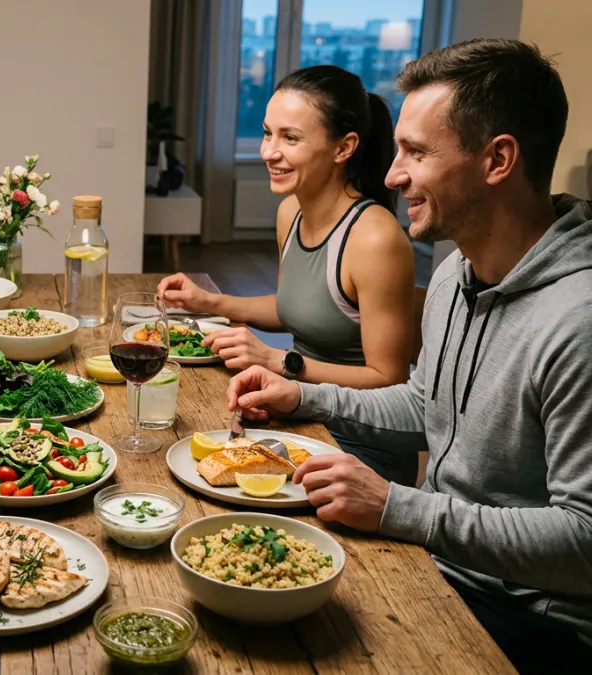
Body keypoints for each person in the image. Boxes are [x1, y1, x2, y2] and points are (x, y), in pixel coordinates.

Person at [226, 39, 592, 674]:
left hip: (529, 620)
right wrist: (303, 395)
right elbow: (426, 402)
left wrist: (400, 507)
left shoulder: (579, 321)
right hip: (440, 562)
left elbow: (584, 543)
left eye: (416, 153)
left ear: (498, 160)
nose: (392, 175)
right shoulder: (456, 272)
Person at [158, 65, 418, 484]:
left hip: (360, 451)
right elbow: (296, 305)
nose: (268, 152)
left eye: (290, 138)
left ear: (344, 147)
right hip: (300, 417)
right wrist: (208, 302)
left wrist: (281, 362)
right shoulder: (290, 212)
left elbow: (389, 380)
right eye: (267, 133)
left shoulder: (375, 238)